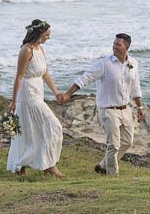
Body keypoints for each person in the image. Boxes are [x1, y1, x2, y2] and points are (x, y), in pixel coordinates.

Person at [57, 33, 144, 176]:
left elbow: (135, 87)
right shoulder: (104, 64)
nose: (114, 47)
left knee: (127, 142)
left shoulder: (133, 63)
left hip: (126, 109)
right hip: (108, 110)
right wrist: (68, 94)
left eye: (118, 44)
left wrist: (140, 107)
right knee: (113, 145)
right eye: (114, 43)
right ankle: (112, 175)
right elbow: (85, 78)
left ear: (126, 47)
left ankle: (103, 165)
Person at [6, 19, 65, 177]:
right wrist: (14, 101)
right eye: (46, 35)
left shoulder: (40, 50)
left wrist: (56, 93)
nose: (48, 38)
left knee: (36, 129)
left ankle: (45, 166)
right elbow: (19, 76)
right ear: (39, 33)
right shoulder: (26, 50)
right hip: (28, 93)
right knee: (51, 125)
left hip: (38, 91)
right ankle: (38, 166)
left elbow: (46, 74)